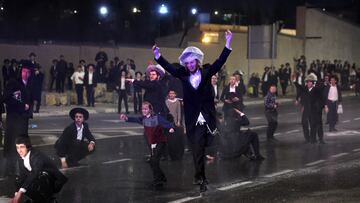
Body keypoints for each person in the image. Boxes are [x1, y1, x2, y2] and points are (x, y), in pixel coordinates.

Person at [153, 30, 233, 192]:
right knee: (197, 148)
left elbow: (220, 61)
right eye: (187, 63)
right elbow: (169, 67)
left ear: (197, 62)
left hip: (206, 117)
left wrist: (228, 43)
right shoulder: (182, 74)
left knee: (201, 148)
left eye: (192, 62)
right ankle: (200, 177)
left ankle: (200, 177)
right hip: (192, 118)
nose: (189, 65)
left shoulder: (206, 71)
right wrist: (158, 56)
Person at [120, 102, 174, 189]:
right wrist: (126, 118)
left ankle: (158, 181)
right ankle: (162, 177)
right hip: (152, 143)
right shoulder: (143, 119)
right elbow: (135, 120)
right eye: (142, 109)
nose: (144, 111)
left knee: (154, 161)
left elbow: (167, 123)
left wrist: (171, 128)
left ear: (150, 109)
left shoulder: (157, 118)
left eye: (145, 109)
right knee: (153, 162)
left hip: (160, 142)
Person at [11, 136, 68, 203]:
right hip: (40, 179)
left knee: (38, 177)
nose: (19, 150)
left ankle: (49, 200)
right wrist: (16, 193)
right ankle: (38, 199)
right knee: (18, 180)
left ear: (28, 146)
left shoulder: (36, 155)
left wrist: (20, 192)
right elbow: (22, 175)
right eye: (17, 147)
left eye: (22, 147)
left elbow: (34, 173)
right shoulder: (21, 156)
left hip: (53, 181)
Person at [2, 60, 33, 176]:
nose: (26, 74)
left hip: (23, 119)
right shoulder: (13, 83)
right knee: (13, 142)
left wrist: (28, 109)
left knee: (22, 141)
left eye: (28, 72)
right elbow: (6, 98)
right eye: (24, 71)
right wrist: (21, 105)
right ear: (20, 71)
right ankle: (11, 168)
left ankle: (21, 166)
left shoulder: (28, 84)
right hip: (14, 118)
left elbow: (30, 100)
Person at [294, 73, 325, 144]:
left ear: (313, 83)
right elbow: (299, 88)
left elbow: (321, 99)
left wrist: (321, 107)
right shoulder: (305, 89)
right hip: (306, 109)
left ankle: (315, 139)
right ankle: (308, 138)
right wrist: (294, 81)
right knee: (304, 123)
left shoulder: (317, 90)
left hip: (314, 110)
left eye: (309, 82)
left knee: (314, 125)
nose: (308, 83)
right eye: (307, 82)